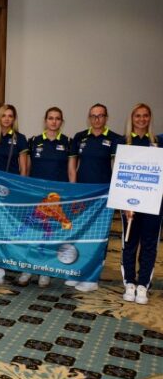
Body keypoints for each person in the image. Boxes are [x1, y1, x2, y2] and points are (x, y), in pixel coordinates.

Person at [67, 103, 123, 292]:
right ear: (89, 118)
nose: (96, 119)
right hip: (83, 194)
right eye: (93, 116)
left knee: (98, 235)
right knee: (81, 232)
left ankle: (92, 277)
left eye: (100, 115)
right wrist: (74, 191)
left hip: (103, 196)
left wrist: (115, 193)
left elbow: (117, 167)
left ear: (106, 118)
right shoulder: (80, 137)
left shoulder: (115, 139)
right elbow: (72, 166)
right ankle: (78, 270)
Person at [19, 107, 71, 288]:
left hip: (56, 199)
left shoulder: (68, 142)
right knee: (33, 233)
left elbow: (71, 170)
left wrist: (72, 194)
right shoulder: (34, 141)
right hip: (37, 198)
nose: (54, 121)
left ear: (61, 122)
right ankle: (27, 269)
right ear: (45, 120)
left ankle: (45, 270)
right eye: (50, 118)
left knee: (50, 234)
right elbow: (27, 168)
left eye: (57, 118)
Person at [120, 103, 160, 304]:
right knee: (130, 243)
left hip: (153, 203)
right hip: (130, 205)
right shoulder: (124, 142)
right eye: (137, 115)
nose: (141, 119)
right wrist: (125, 204)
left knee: (149, 244)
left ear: (149, 118)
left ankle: (143, 284)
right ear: (132, 118)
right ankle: (129, 282)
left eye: (145, 115)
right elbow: (120, 175)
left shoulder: (158, 143)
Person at [0, 104, 29, 284]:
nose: (7, 119)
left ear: (14, 119)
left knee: (7, 229)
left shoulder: (20, 139)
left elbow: (24, 168)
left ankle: (2, 267)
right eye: (4, 115)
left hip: (11, 191)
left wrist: (21, 191)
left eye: (10, 116)